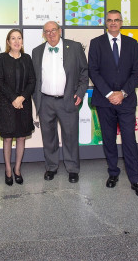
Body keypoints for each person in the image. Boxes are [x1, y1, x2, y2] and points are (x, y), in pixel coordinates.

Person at [88, 10, 138, 197]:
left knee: (129, 139)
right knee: (109, 139)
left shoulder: (132, 43)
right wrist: (109, 94)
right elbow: (93, 71)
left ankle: (135, 179)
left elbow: (136, 72)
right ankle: (113, 172)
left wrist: (122, 93)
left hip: (126, 100)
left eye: (116, 20)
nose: (113, 23)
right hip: (104, 101)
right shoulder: (96, 43)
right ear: (106, 23)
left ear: (121, 22)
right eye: (110, 20)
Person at [32, 21, 88, 183]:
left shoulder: (75, 47)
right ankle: (51, 167)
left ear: (60, 31)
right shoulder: (37, 51)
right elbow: (34, 77)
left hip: (68, 99)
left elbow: (84, 72)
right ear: (43, 34)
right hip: (45, 101)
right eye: (47, 31)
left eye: (54, 30)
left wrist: (80, 92)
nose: (51, 34)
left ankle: (73, 169)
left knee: (70, 136)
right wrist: (36, 98)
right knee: (48, 136)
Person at [0, 29, 36, 185]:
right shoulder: (1, 58)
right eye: (13, 38)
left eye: (19, 38)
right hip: (6, 104)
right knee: (7, 138)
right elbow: (0, 81)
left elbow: (32, 81)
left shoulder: (27, 58)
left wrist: (22, 97)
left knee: (21, 137)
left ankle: (17, 169)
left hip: (24, 104)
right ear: (8, 42)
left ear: (22, 41)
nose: (16, 41)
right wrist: (13, 98)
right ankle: (8, 170)